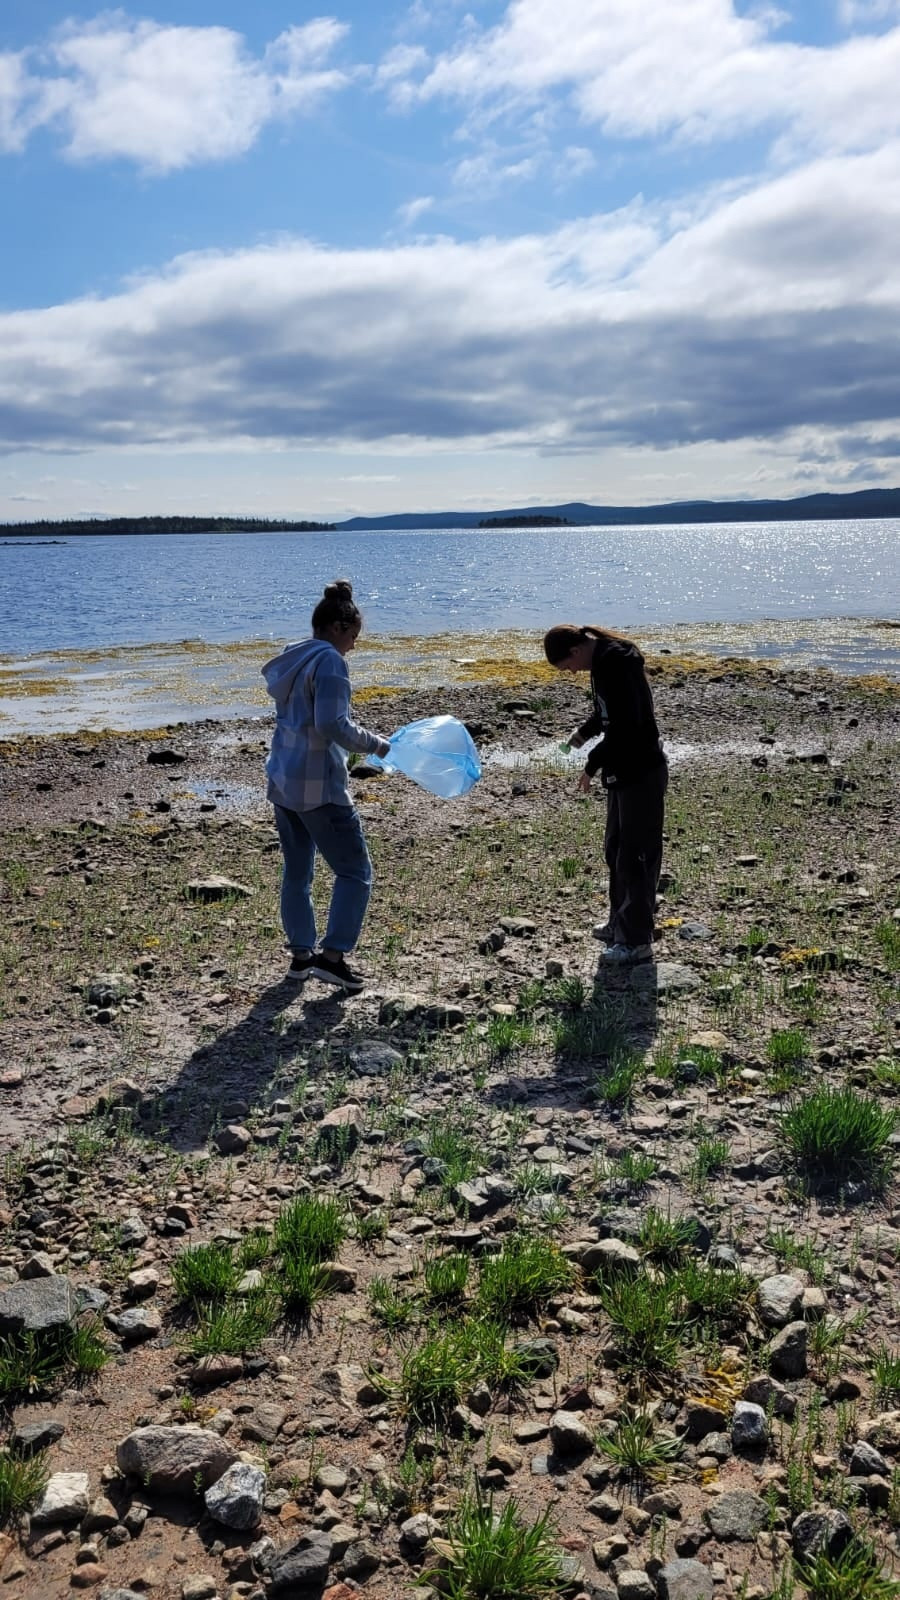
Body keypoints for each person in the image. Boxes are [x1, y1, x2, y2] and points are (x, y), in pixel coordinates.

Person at [262, 579, 391, 994]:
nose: (353, 645)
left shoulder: (293, 655)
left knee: (297, 872)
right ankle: (332, 959)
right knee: (355, 871)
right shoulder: (330, 661)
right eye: (353, 636)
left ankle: (302, 957)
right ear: (336, 627)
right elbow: (332, 725)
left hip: (283, 778)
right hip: (318, 787)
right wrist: (377, 745)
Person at [543, 623, 667, 965]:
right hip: (623, 771)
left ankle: (636, 940)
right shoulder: (602, 664)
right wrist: (579, 737)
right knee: (616, 850)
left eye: (566, 666)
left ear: (576, 650)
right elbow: (606, 715)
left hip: (641, 769)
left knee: (636, 856)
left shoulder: (617, 663)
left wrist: (591, 764)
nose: (569, 672)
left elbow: (626, 727)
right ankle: (619, 925)